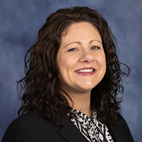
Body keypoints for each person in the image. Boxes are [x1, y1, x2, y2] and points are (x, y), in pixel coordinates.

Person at [2, 7, 134, 142]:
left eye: (95, 47)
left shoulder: (118, 124)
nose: (88, 56)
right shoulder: (26, 132)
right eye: (73, 49)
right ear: (51, 60)